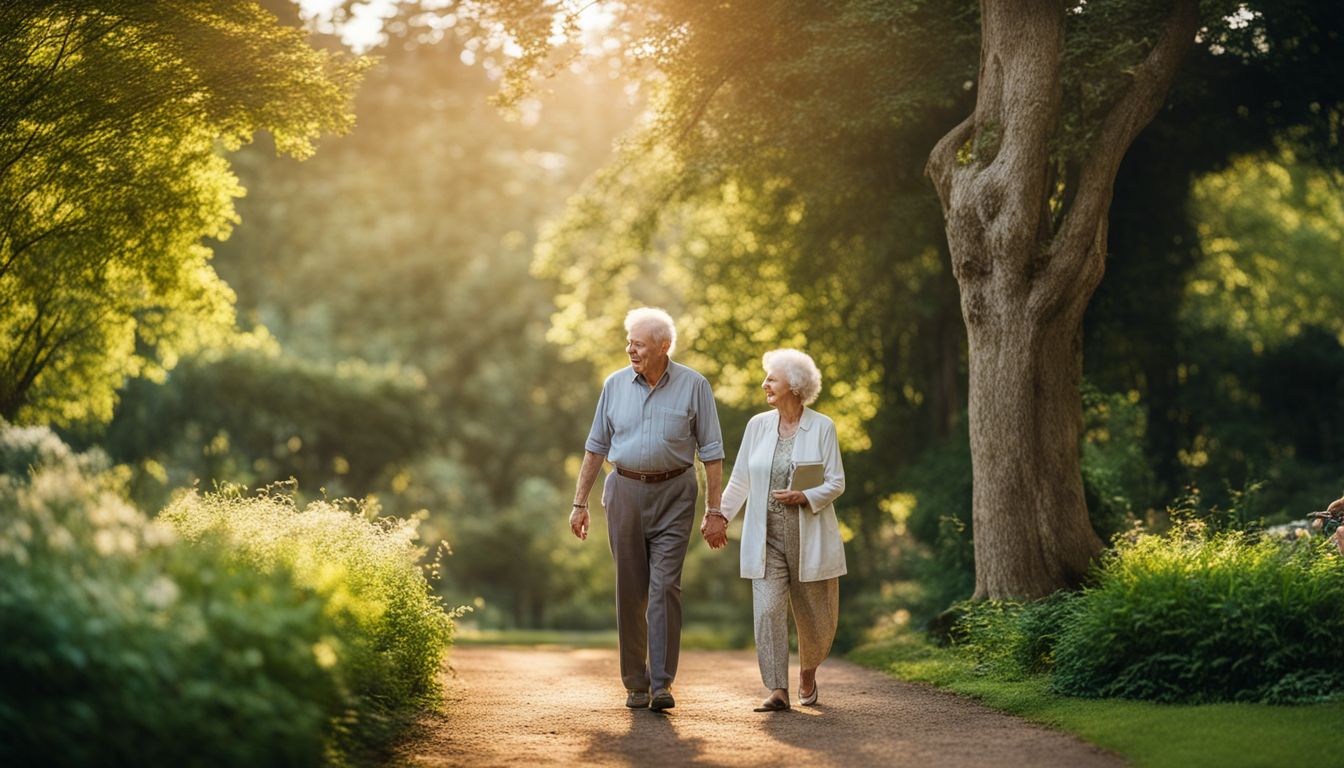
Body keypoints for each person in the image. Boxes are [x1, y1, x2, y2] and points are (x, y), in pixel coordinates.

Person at [569, 307, 725, 711]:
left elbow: (711, 453)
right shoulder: (614, 385)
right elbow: (594, 448)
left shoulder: (695, 386)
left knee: (665, 586)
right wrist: (579, 502)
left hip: (676, 494)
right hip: (624, 491)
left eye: (638, 344)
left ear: (663, 346)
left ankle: (661, 684)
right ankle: (635, 683)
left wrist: (714, 510)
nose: (630, 350)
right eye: (629, 342)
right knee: (630, 589)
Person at [702, 348, 846, 712]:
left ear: (794, 386)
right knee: (767, 611)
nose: (764, 383)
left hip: (807, 532)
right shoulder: (757, 426)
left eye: (772, 378)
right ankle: (778, 689)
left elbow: (837, 482)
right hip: (766, 536)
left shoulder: (822, 426)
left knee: (816, 615)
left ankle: (808, 673)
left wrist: (804, 495)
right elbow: (741, 480)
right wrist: (718, 514)